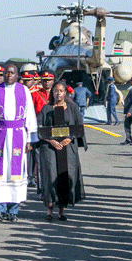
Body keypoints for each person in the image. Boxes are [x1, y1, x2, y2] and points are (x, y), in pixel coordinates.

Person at [0, 62, 38, 222]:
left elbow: (30, 115)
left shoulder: (24, 91)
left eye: (12, 73)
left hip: (18, 136)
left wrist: (31, 139)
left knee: (16, 173)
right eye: (6, 73)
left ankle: (13, 211)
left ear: (17, 75)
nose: (9, 75)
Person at [37, 81, 87, 220]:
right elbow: (40, 129)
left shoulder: (72, 107)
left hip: (67, 147)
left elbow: (78, 127)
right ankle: (49, 210)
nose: (58, 93)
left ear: (65, 93)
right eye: (55, 91)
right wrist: (51, 140)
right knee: (51, 176)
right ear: (52, 93)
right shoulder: (46, 108)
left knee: (64, 177)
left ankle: (61, 211)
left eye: (61, 91)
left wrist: (70, 139)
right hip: (50, 148)